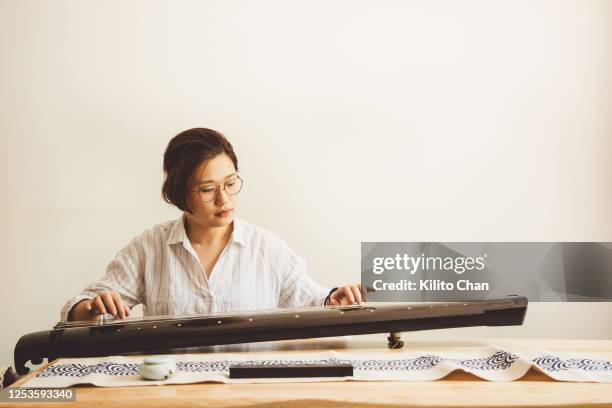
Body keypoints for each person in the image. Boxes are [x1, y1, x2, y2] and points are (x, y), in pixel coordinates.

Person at [62, 128, 363, 322]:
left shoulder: (266, 247)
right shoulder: (149, 248)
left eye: (230, 183)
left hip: (250, 391)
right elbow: (77, 310)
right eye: (207, 189)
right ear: (179, 193)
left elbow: (312, 300)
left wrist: (334, 299)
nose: (224, 200)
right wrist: (92, 308)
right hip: (170, 393)